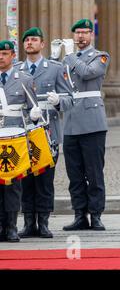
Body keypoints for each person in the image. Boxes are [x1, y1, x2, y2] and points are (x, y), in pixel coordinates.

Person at [54, 19, 110, 231]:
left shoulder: (101, 55)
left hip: (92, 121)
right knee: (74, 173)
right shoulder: (67, 60)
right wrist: (55, 58)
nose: (80, 37)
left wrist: (69, 57)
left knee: (94, 172)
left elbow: (88, 73)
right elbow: (60, 80)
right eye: (77, 33)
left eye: (85, 32)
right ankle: (79, 214)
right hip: (70, 120)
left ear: (91, 35)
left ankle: (96, 214)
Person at [15, 27, 71, 239]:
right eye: (27, 40)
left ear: (42, 44)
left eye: (34, 39)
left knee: (45, 179)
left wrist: (58, 102)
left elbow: (69, 99)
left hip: (48, 131)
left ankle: (44, 222)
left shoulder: (55, 68)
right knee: (26, 179)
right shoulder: (17, 69)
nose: (30, 43)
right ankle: (29, 222)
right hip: (24, 130)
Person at [0, 40, 41, 242]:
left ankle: (11, 226)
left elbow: (32, 108)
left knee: (13, 186)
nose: (1, 57)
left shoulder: (24, 78)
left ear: (13, 56)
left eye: (5, 53)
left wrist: (34, 115)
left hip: (14, 138)